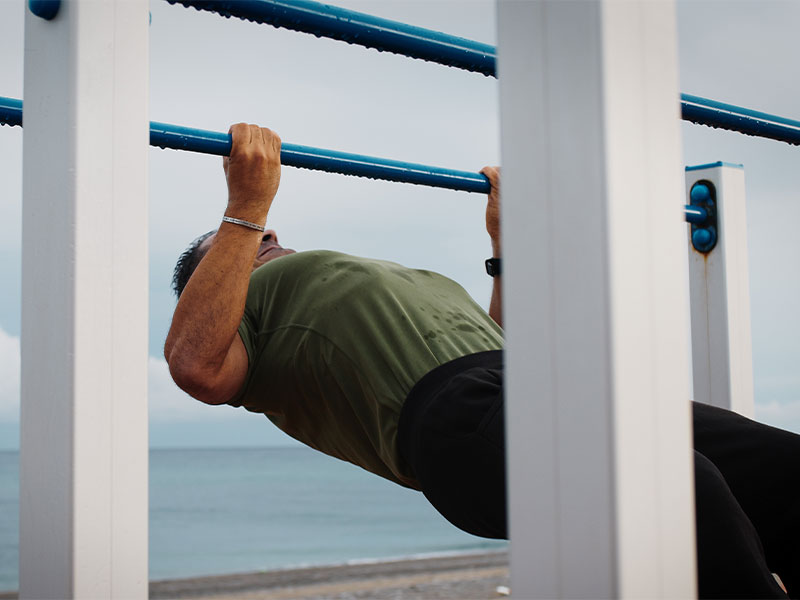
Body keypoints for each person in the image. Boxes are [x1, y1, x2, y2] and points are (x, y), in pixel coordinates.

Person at [165, 123, 799, 599]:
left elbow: (501, 343)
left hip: (525, 385)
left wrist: (504, 245)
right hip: (454, 418)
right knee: (675, 485)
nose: (271, 238)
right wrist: (243, 211)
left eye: (265, 234)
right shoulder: (242, 319)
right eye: (236, 245)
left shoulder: (360, 276)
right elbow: (195, 365)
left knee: (783, 470)